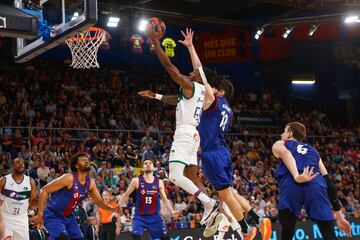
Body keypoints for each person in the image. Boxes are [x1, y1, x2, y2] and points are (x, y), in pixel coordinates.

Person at [178, 28, 273, 240]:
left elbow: (200, 71)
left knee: (224, 194)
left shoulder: (212, 99)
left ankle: (246, 228)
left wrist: (192, 47)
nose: (208, 87)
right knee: (230, 190)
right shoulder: (228, 108)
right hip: (223, 151)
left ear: (219, 91)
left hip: (212, 153)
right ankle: (257, 219)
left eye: (213, 87)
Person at [141, 25, 221, 225]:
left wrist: (155, 42)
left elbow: (170, 68)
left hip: (185, 134)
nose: (190, 73)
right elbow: (177, 100)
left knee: (175, 176)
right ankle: (213, 212)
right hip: (194, 136)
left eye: (194, 73)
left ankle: (209, 203)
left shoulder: (190, 85)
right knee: (193, 178)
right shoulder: (202, 92)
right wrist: (156, 96)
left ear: (197, 78)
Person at [272, 122, 352, 239]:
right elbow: (329, 184)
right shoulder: (313, 150)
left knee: (287, 232)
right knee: (329, 234)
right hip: (315, 182)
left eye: (284, 131)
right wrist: (339, 217)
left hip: (292, 184)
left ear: (289, 134)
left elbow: (285, 153)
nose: (281, 134)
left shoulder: (281, 142)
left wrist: (296, 175)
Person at [33, 152, 121, 240]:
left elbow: (99, 202)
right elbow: (44, 190)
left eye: (87, 160)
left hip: (69, 217)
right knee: (61, 237)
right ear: (77, 165)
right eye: (83, 160)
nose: (87, 161)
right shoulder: (68, 178)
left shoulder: (90, 183)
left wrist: (113, 209)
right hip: (53, 214)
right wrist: (40, 214)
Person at [117, 159, 179, 240]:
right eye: (145, 163)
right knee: (136, 236)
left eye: (150, 163)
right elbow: (125, 195)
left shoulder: (159, 182)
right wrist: (117, 206)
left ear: (153, 168)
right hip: (140, 216)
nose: (148, 164)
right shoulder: (136, 181)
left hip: (155, 216)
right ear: (142, 168)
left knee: (165, 237)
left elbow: (164, 199)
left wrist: (172, 211)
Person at [0, 157, 38, 240]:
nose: (21, 164)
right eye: (18, 162)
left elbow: (32, 203)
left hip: (22, 218)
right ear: (13, 166)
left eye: (23, 163)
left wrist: (40, 203)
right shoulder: (4, 180)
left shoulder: (30, 181)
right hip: (6, 218)